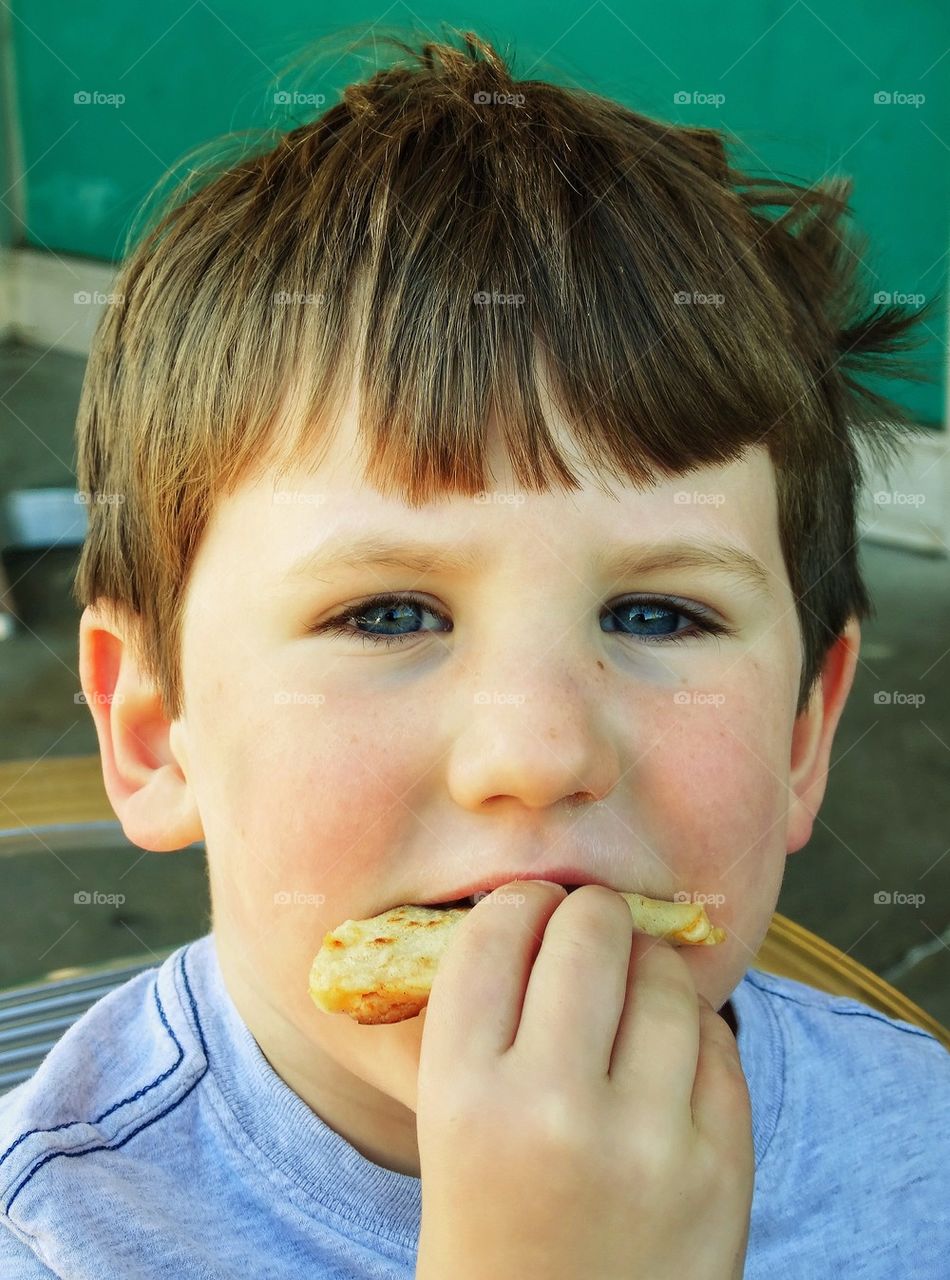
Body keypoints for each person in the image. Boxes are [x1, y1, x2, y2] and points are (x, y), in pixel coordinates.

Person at [1, 26, 946, 1279]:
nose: (540, 749)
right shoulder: (55, 1237)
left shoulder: (918, 1147)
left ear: (799, 738)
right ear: (151, 728)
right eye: (389, 611)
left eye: (656, 614)